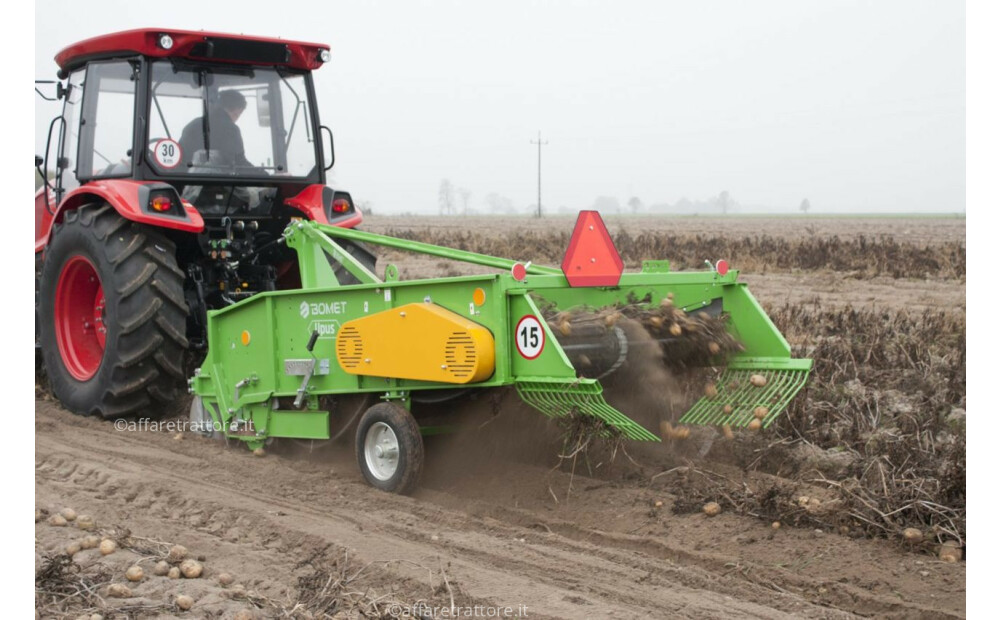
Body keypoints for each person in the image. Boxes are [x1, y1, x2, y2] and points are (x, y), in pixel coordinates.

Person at [178, 89, 259, 172]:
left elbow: (179, 158)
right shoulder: (230, 129)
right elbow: (239, 164)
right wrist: (265, 176)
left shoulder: (192, 125)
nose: (236, 119)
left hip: (188, 181)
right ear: (236, 111)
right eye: (238, 114)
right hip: (218, 182)